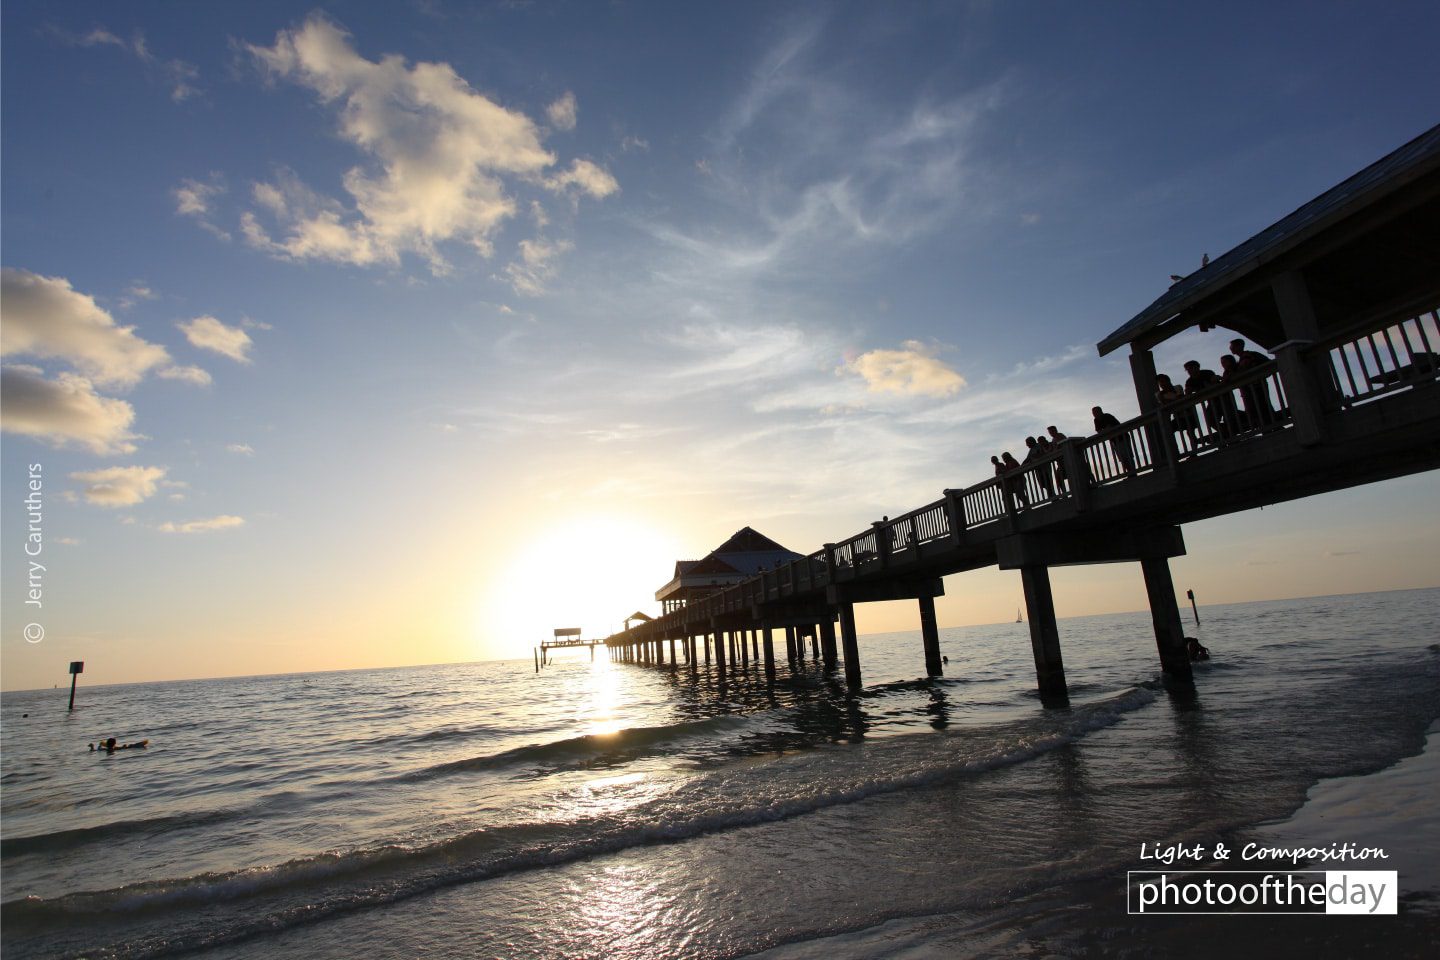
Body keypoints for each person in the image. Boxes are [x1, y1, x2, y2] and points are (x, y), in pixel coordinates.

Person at [1156, 373, 1200, 448]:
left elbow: (1179, 399)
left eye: (1163, 382)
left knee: (1190, 433)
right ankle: (1174, 451)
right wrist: (1167, 401)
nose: (1162, 385)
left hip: (1189, 414)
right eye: (1160, 383)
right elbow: (1165, 405)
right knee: (1168, 431)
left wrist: (1167, 401)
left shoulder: (1177, 387)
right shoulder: (1159, 394)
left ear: (1168, 381)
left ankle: (1194, 451)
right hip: (1178, 417)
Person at [1091, 405, 1135, 474]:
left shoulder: (1107, 416)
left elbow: (1109, 428)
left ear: (1100, 411)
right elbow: (1099, 432)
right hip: (1114, 440)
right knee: (1122, 458)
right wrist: (1105, 431)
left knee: (1127, 455)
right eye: (1093, 413)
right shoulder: (1096, 420)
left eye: (1095, 412)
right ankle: (1130, 473)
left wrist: (1105, 431)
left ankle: (1133, 472)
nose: (1094, 414)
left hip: (1122, 437)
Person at [1022, 435, 1055, 500]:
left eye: (1027, 443)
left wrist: (1037, 456)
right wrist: (1021, 466)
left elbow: (1044, 453)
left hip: (1045, 468)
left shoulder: (1039, 446)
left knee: (1048, 482)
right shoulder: (1031, 450)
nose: (1027, 445)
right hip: (1038, 470)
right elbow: (1028, 459)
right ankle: (1052, 496)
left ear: (1032, 442)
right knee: (1043, 484)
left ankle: (1053, 497)